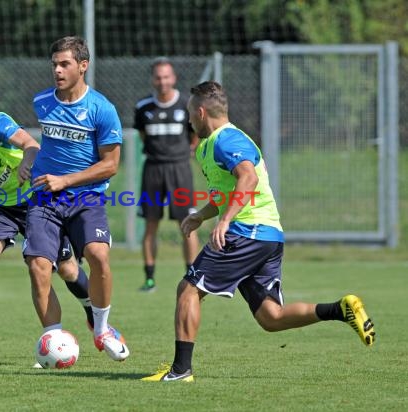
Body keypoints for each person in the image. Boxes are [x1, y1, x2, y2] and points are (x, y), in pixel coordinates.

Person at [142, 81, 376, 382]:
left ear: (201, 112)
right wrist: (202, 215)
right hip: (267, 235)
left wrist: (225, 221)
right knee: (271, 317)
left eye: (190, 113)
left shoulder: (227, 140)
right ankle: (340, 309)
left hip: (246, 231)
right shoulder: (210, 146)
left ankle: (180, 370)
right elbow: (226, 192)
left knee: (188, 289)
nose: (188, 120)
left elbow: (248, 178)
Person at [0, 84, 103, 363]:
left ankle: (94, 315)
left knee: (67, 269)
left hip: (35, 199)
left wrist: (27, 161)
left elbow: (32, 144)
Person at [21, 36, 129, 361]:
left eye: (65, 63)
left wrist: (65, 180)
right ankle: (53, 341)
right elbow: (42, 146)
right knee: (39, 266)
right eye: (54, 63)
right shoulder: (42, 101)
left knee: (98, 256)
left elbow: (110, 165)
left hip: (85, 199)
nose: (57, 70)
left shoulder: (102, 110)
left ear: (83, 66)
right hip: (44, 197)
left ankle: (102, 329)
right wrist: (29, 161)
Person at [133, 57, 199, 292]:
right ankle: (149, 278)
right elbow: (142, 135)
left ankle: (192, 275)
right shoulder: (143, 108)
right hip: (153, 169)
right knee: (151, 225)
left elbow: (195, 135)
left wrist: (186, 151)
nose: (162, 82)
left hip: (180, 169)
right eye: (158, 77)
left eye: (166, 77)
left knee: (188, 223)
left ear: (174, 78)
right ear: (153, 79)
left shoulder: (186, 104)